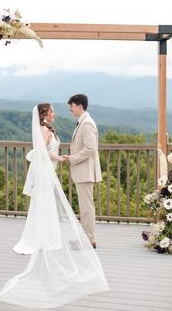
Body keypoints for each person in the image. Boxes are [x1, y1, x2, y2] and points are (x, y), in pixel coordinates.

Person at [0, 103, 109, 309]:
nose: (55, 114)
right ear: (44, 114)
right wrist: (62, 158)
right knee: (44, 204)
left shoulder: (48, 129)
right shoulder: (43, 129)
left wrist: (63, 158)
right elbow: (42, 152)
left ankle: (47, 236)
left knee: (46, 205)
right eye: (52, 111)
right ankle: (40, 238)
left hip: (50, 172)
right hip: (46, 171)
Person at [64, 94, 101, 249]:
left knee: (86, 208)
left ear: (79, 106)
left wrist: (72, 158)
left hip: (85, 172)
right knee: (84, 207)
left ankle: (89, 240)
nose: (70, 110)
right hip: (83, 172)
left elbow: (90, 149)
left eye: (71, 107)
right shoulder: (83, 122)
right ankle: (86, 237)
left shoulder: (87, 124)